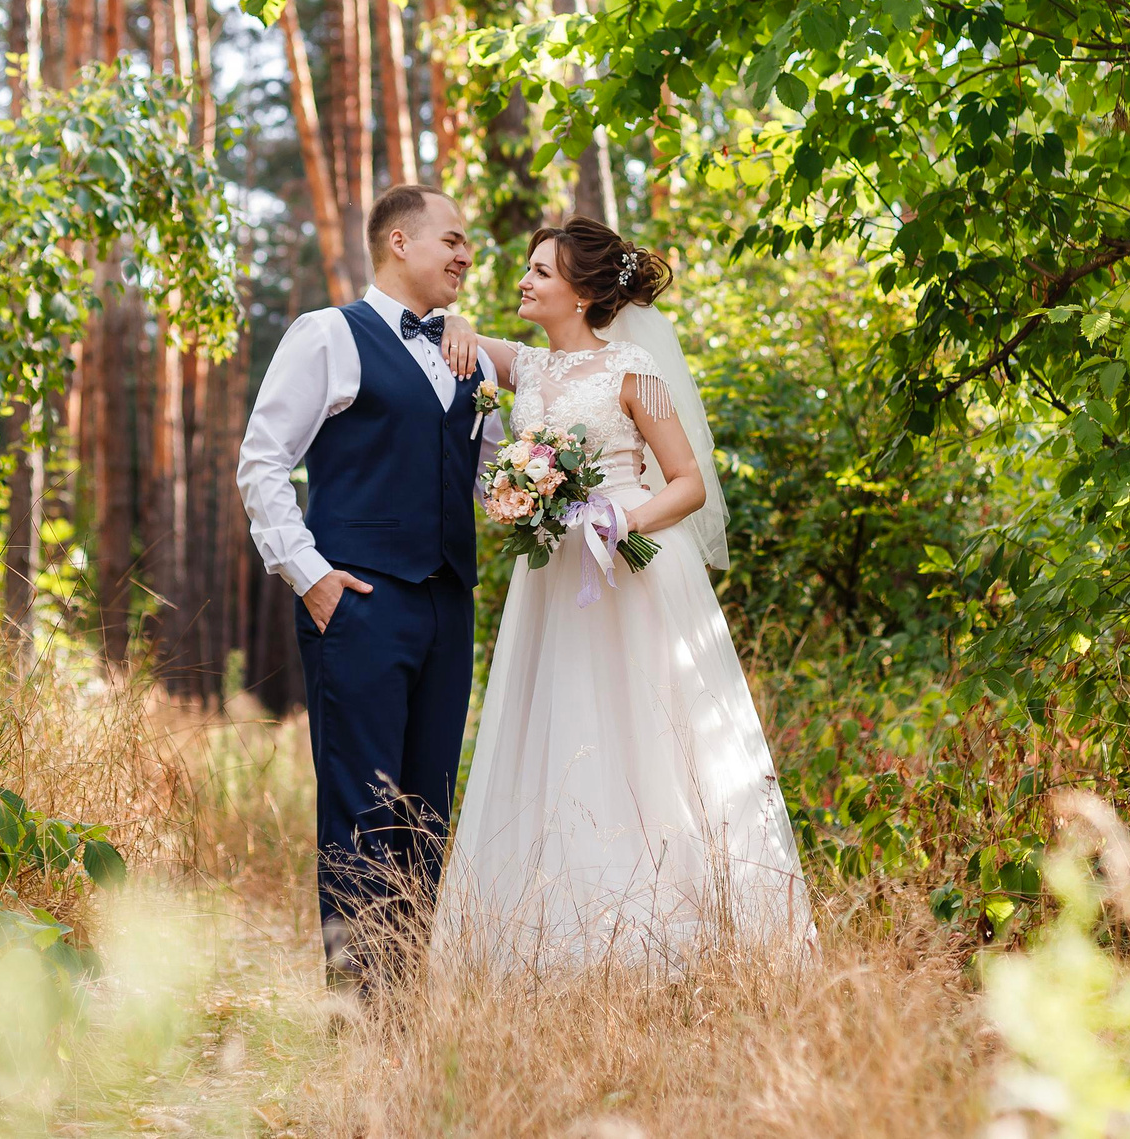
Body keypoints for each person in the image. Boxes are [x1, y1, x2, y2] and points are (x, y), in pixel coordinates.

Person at [433, 217, 813, 967]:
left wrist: (621, 518)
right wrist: (458, 316)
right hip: (551, 576)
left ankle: (678, 930)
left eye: (542, 271)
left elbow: (690, 484)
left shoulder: (633, 368)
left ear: (579, 292)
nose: (526, 280)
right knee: (560, 729)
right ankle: (554, 936)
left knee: (647, 735)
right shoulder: (532, 369)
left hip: (629, 565)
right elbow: (459, 339)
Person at [236, 184, 502, 987]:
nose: (465, 254)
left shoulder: (474, 354)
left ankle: (406, 998)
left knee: (428, 806)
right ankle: (358, 1005)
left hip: (447, 603)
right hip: (357, 603)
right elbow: (262, 461)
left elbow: (495, 482)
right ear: (397, 240)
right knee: (363, 806)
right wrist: (310, 577)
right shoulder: (326, 334)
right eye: (451, 238)